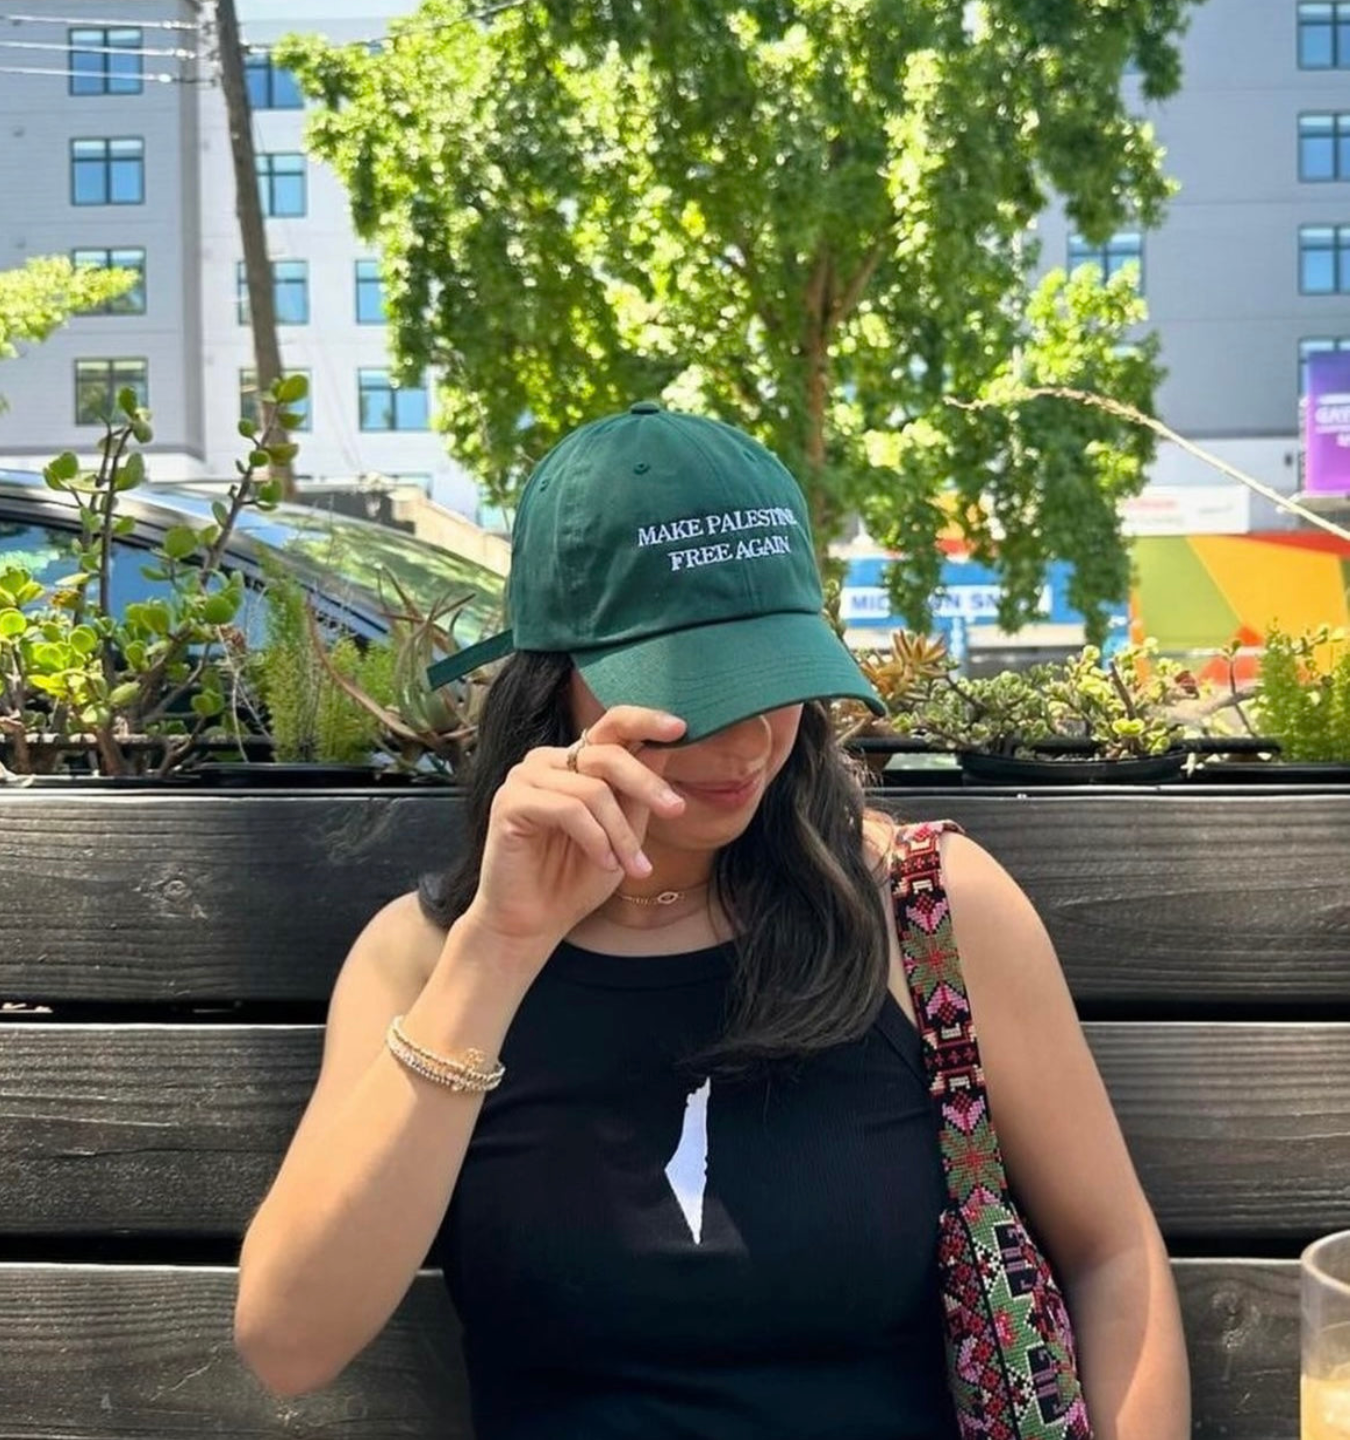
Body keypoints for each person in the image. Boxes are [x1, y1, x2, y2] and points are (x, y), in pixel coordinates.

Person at [234, 402, 1191, 1438]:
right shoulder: (422, 962)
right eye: (691, 687)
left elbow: (1111, 1251)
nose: (748, 741)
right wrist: (499, 952)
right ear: (556, 679)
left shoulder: (925, 909)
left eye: (776, 678)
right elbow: (291, 1342)